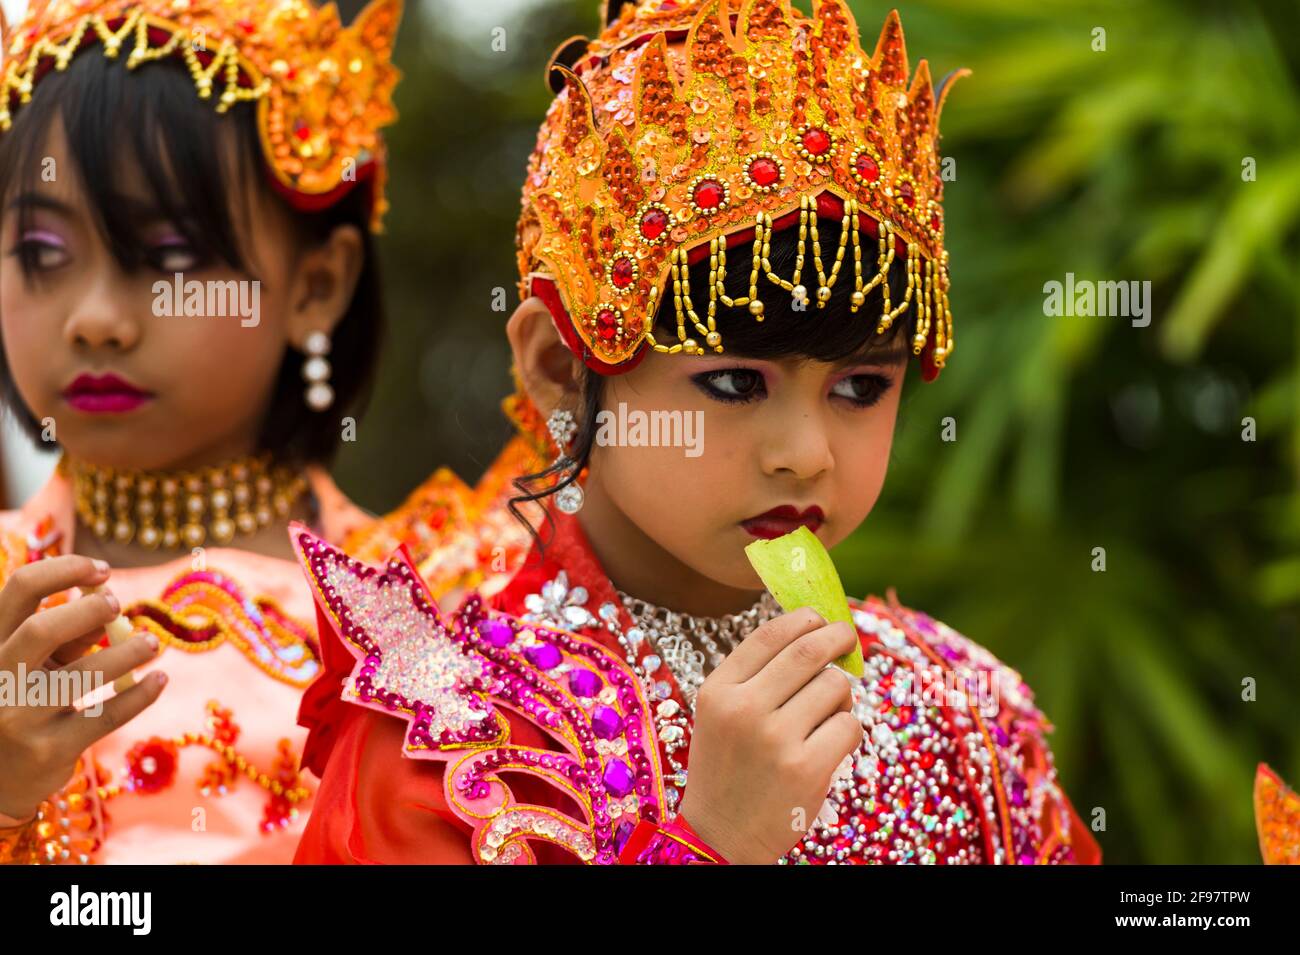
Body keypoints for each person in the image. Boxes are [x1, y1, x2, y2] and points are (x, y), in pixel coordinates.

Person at [291, 0, 1101, 865]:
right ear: (563, 369)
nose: (806, 451)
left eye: (861, 386)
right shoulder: (447, 739)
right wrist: (707, 842)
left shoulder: (964, 714)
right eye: (734, 383)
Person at [0, 0, 402, 863]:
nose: (96, 320)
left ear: (316, 286)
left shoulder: (451, 610)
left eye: (170, 256)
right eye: (41, 249)